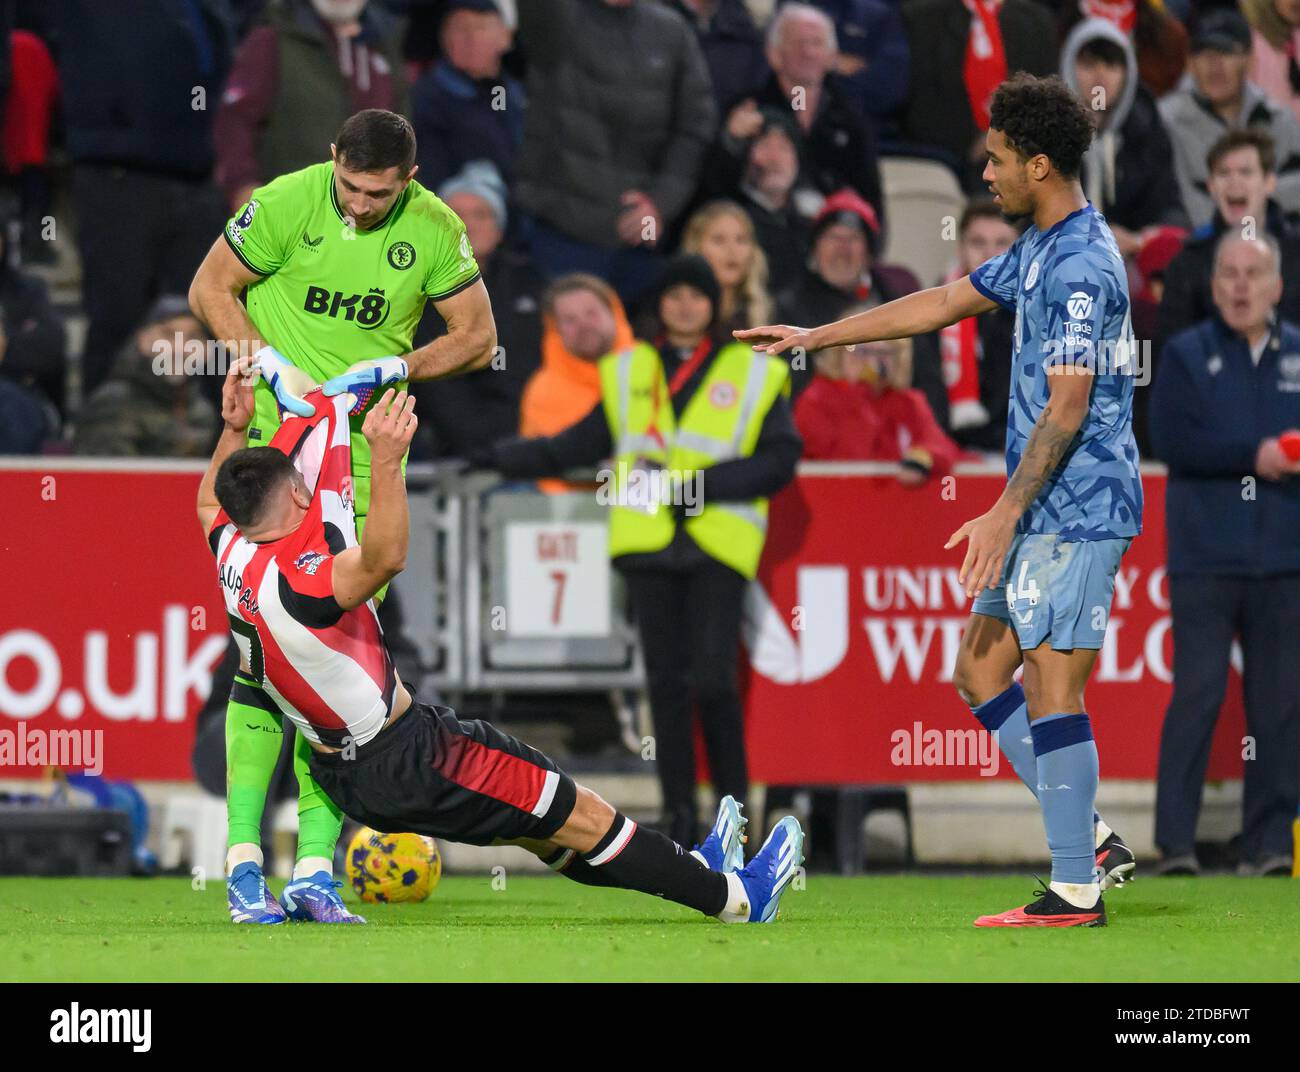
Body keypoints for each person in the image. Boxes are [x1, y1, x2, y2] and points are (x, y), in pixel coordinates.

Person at [739, 73, 1142, 927]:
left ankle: (1074, 889)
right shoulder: (1040, 244)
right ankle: (1092, 839)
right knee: (982, 671)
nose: (985, 174)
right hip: (1041, 508)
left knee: (1052, 687)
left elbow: (1069, 403)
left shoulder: (1080, 264)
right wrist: (818, 336)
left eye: (996, 159)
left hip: (1078, 509)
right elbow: (942, 303)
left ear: (1039, 164)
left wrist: (1002, 511)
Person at [198, 364, 804, 923]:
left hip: (348, 773)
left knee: (548, 830)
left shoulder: (232, 550)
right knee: (581, 813)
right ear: (299, 498)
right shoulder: (305, 581)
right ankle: (739, 898)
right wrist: (384, 461)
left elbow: (207, 500)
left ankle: (694, 868)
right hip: (411, 757)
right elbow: (385, 557)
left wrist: (232, 430)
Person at [188, 108, 498, 922]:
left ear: (411, 179)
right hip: (271, 458)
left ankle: (316, 869)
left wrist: (398, 362)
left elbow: (475, 335)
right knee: (261, 661)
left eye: (379, 194)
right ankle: (245, 863)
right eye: (352, 188)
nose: (360, 205)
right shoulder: (289, 201)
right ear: (332, 162)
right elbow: (210, 287)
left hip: (359, 471)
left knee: (341, 676)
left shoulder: (434, 229)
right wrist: (264, 361)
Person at [471, 255, 802, 847]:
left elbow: (779, 460)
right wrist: (494, 453)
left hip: (717, 545)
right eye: (673, 295)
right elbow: (579, 442)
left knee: (714, 682)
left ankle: (736, 821)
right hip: (647, 546)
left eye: (696, 295)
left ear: (713, 305)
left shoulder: (753, 370)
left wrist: (697, 491)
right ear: (659, 305)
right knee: (666, 690)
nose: (684, 305)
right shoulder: (630, 369)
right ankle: (680, 819)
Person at [1150, 233, 1300, 878]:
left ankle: (1268, 844)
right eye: (1229, 275)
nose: (1240, 286)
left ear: (1277, 287)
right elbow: (1170, 439)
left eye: (1253, 274)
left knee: (1278, 704)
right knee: (1200, 693)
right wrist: (1256, 455)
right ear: (1213, 288)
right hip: (1206, 557)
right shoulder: (1185, 353)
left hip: (1285, 557)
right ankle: (1175, 844)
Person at [55, 0, 234, 392]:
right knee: (117, 318)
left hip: (197, 179)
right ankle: (101, 435)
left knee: (208, 321)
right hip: (118, 177)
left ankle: (209, 438)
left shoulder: (207, 12)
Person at [513, 0, 715, 306]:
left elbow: (696, 124)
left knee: (634, 352)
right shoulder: (557, 16)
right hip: (559, 229)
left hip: (636, 240)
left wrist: (661, 203)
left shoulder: (671, 30)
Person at [213, 0, 409, 213]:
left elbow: (402, 132)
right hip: (288, 214)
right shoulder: (274, 36)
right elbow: (236, 120)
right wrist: (243, 187)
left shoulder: (385, 43)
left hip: (367, 218)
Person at [410, 161, 547, 458]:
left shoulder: (531, 284)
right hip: (449, 446)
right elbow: (438, 389)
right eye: (455, 216)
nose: (468, 226)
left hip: (532, 437)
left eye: (481, 215)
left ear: (499, 231)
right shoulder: (411, 294)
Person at [717, 4, 884, 225]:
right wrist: (731, 143)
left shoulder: (851, 120)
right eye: (798, 42)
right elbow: (717, 189)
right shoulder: (745, 111)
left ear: (831, 56)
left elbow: (871, 201)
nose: (808, 52)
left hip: (830, 238)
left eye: (817, 43)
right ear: (774, 54)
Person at [1159, 8, 1300, 229]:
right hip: (1200, 249)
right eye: (1203, 53)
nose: (1214, 65)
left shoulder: (1276, 117)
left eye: (1226, 52)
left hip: (1275, 245)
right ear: (1189, 63)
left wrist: (1246, 203)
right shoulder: (1166, 121)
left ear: (1249, 60)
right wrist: (1258, 198)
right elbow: (1175, 204)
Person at [1061, 16, 1189, 257]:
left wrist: (1140, 239)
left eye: (1111, 66)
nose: (1100, 77)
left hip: (1130, 265)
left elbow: (1170, 208)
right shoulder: (1046, 135)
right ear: (1068, 67)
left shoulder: (1146, 132)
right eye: (1089, 65)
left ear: (1128, 74)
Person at [900, 0, 1058, 192]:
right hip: (949, 158)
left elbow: (1044, 100)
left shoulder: (1036, 20)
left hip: (1019, 156)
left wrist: (1004, 140)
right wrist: (974, 144)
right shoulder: (921, 17)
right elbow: (920, 106)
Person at [794, 333, 959, 481]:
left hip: (890, 504)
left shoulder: (908, 402)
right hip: (834, 501)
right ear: (838, 355)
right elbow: (851, 459)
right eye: (862, 352)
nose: (872, 362)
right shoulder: (816, 399)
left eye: (883, 353)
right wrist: (860, 391)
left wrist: (922, 458)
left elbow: (942, 446)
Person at [73, 296, 219, 458]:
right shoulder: (114, 403)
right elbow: (105, 476)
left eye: (193, 338)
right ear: (143, 340)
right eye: (168, 335)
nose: (180, 348)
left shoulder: (203, 410)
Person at [410, 0, 525, 192]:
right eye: (461, 28)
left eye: (481, 28)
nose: (471, 38)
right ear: (444, 38)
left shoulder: (508, 92)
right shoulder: (428, 97)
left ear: (505, 38)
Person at [681, 200, 774, 335]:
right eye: (718, 240)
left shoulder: (770, 317)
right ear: (695, 248)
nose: (732, 250)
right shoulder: (674, 314)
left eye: (741, 240)